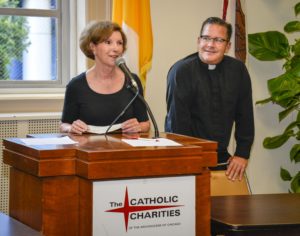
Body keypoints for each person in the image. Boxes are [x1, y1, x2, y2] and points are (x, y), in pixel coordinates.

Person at [165, 17, 254, 182]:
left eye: (218, 40)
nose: (210, 45)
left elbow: (245, 115)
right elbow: (177, 125)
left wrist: (242, 153)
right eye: (206, 38)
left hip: (221, 158)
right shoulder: (181, 71)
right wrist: (189, 162)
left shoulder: (238, 70)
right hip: (187, 158)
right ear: (198, 41)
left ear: (228, 46)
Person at [60, 21, 150, 135]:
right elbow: (64, 125)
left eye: (119, 43)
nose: (116, 48)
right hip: (89, 149)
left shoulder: (132, 81)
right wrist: (71, 128)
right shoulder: (76, 85)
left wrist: (138, 127)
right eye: (108, 42)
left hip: (124, 149)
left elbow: (146, 124)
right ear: (93, 47)